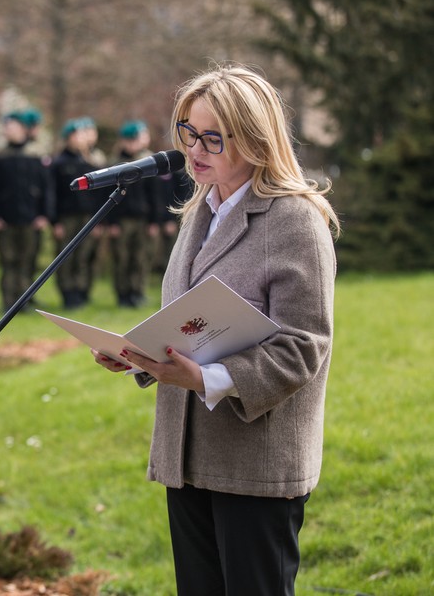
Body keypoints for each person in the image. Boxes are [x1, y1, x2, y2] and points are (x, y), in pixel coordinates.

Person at [92, 63, 340, 596]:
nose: (194, 150)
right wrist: (139, 354)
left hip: (257, 461)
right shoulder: (198, 210)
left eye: (212, 137)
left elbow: (305, 347)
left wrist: (205, 379)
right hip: (187, 456)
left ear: (254, 139)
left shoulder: (295, 221)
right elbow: (190, 322)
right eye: (187, 132)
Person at [0, 110, 53, 311]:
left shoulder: (36, 154)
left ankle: (25, 300)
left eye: (12, 127)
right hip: (6, 219)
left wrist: (45, 214)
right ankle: (8, 302)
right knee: (8, 260)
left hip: (31, 217)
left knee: (27, 260)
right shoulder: (0, 156)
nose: (8, 130)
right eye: (6, 127)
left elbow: (46, 187)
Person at [49, 117, 109, 309]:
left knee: (85, 255)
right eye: (77, 134)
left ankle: (82, 291)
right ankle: (68, 293)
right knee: (66, 255)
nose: (82, 138)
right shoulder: (59, 162)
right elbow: (53, 193)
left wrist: (100, 220)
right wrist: (55, 221)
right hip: (67, 217)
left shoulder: (91, 162)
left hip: (89, 216)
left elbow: (101, 193)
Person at [106, 119, 161, 307]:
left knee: (141, 258)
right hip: (121, 220)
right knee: (122, 259)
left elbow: (155, 194)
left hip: (143, 219)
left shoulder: (148, 162)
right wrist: (111, 223)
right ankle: (122, 294)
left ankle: (137, 292)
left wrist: (154, 220)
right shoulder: (115, 163)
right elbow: (106, 197)